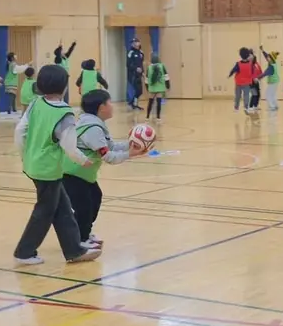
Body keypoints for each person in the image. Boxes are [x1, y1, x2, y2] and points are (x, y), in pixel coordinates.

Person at [13, 64, 101, 266]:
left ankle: (74, 250)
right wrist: (83, 160)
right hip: (48, 169)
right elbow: (69, 145)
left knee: (63, 208)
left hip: (34, 165)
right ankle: (24, 252)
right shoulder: (64, 113)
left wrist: (25, 155)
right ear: (64, 86)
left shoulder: (35, 103)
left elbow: (20, 132)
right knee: (45, 211)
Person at [61, 90, 143, 249]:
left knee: (95, 198)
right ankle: (81, 239)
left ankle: (83, 232)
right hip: (73, 174)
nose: (112, 106)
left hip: (84, 175)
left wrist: (130, 145)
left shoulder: (95, 124)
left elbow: (110, 146)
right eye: (109, 102)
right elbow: (108, 156)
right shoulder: (93, 128)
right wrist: (130, 154)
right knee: (84, 207)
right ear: (101, 107)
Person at [229, 47, 256, 112]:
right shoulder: (250, 64)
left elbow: (233, 70)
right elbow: (252, 72)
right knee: (246, 95)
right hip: (247, 83)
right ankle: (246, 107)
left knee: (238, 96)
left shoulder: (238, 64)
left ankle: (236, 108)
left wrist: (230, 75)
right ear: (248, 55)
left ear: (240, 55)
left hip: (239, 82)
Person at [145, 54, 169, 121]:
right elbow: (166, 76)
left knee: (150, 102)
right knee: (159, 102)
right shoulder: (162, 66)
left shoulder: (149, 67)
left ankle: (147, 116)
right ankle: (158, 117)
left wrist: (147, 87)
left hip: (152, 88)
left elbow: (146, 79)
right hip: (160, 87)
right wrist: (168, 85)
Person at [126, 37, 145, 110]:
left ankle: (132, 103)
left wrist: (142, 72)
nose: (134, 44)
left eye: (135, 42)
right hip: (132, 75)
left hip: (139, 75)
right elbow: (128, 64)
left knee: (140, 91)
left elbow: (141, 63)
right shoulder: (130, 52)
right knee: (137, 90)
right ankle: (134, 104)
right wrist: (135, 68)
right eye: (132, 43)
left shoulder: (141, 53)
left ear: (139, 43)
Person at [260, 47, 280, 111]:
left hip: (273, 82)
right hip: (275, 81)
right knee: (273, 94)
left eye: (268, 57)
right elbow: (266, 56)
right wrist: (263, 51)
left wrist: (257, 78)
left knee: (268, 94)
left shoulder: (271, 67)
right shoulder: (273, 63)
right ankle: (275, 105)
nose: (267, 58)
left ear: (271, 59)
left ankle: (272, 106)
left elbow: (265, 73)